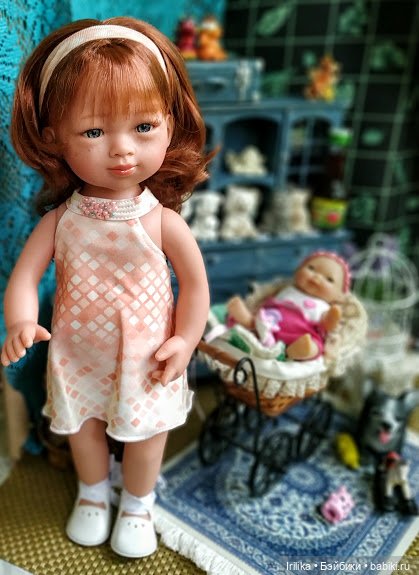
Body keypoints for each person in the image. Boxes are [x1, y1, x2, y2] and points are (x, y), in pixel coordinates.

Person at [1, 17, 210, 558]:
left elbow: (194, 285)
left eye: (143, 126)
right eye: (94, 132)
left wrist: (185, 339)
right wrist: (21, 320)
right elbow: (24, 276)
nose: (122, 150)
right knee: (83, 428)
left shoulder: (162, 221)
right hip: (78, 352)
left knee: (147, 434)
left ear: (170, 124)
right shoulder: (62, 221)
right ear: (54, 137)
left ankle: (138, 502)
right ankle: (92, 493)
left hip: (148, 355)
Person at [227, 251, 350, 360]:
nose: (317, 277)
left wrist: (331, 319)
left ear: (340, 296)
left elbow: (325, 328)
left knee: (316, 345)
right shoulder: (287, 289)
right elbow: (266, 301)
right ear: (298, 271)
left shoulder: (324, 307)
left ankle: (298, 351)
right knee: (258, 321)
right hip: (270, 322)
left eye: (329, 279)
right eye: (311, 268)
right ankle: (248, 321)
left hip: (301, 335)